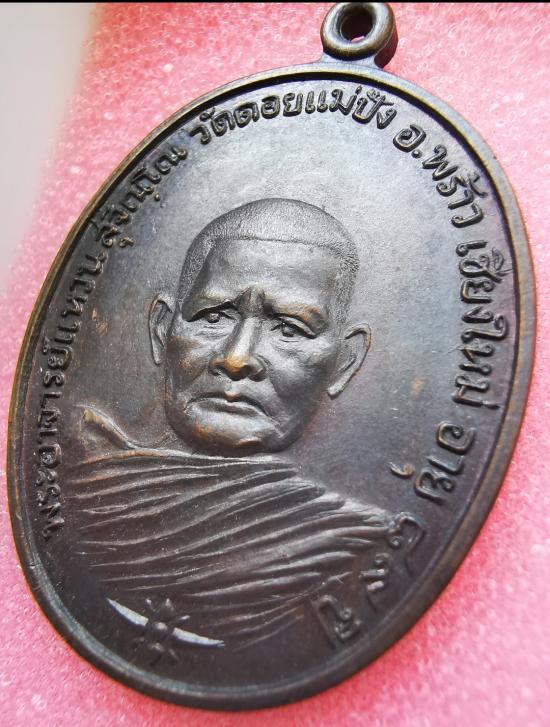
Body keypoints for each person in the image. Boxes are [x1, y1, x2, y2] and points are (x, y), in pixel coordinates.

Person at [67, 198, 407, 655]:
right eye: (213, 317)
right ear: (163, 331)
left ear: (344, 362)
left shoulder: (353, 543)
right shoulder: (85, 481)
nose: (236, 358)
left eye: (289, 330)